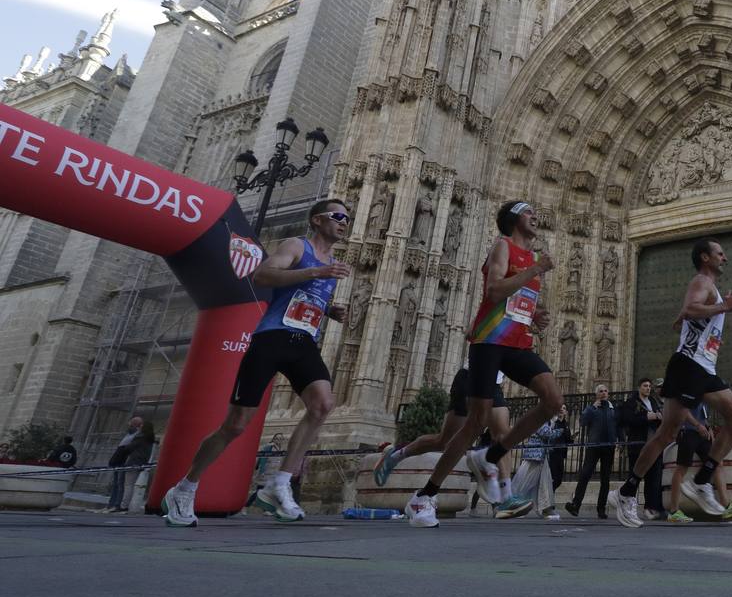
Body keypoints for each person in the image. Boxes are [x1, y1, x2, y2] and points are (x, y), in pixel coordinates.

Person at [161, 198, 352, 527]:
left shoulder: (333, 262)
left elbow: (304, 297)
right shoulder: (297, 246)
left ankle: (279, 483)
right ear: (318, 220)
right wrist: (317, 270)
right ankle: (184, 487)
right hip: (272, 338)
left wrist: (328, 311)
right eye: (338, 216)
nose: (344, 222)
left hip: (303, 341)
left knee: (322, 405)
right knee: (235, 424)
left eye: (347, 218)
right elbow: (262, 275)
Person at [403, 201, 561, 521]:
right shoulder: (502, 247)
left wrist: (535, 316)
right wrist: (535, 270)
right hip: (488, 341)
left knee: (553, 401)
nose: (535, 217)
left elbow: (515, 304)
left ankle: (491, 456)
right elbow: (495, 290)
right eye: (529, 212)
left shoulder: (530, 258)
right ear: (515, 219)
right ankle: (424, 496)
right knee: (476, 422)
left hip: (516, 343)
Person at [609, 238, 732, 528]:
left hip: (701, 367)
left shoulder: (709, 286)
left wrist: (685, 318)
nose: (725, 258)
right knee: (674, 432)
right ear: (705, 258)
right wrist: (724, 307)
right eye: (720, 253)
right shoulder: (702, 281)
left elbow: (689, 313)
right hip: (691, 366)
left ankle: (639, 489)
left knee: (728, 422)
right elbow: (692, 307)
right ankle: (636, 492)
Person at [373, 365, 523, 527]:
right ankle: (397, 454)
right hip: (470, 378)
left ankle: (506, 496)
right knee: (444, 441)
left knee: (503, 435)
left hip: (492, 384)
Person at [666, 401, 732, 522]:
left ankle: (727, 507)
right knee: (682, 468)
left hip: (702, 433)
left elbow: (702, 414)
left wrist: (708, 427)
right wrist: (697, 425)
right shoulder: (688, 387)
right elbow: (683, 410)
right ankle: (674, 511)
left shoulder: (703, 391)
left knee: (717, 463)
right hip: (687, 432)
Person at [566, 385, 619, 518]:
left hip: (609, 447)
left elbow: (617, 426)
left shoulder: (612, 409)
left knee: (605, 479)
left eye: (606, 391)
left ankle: (601, 509)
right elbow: (583, 421)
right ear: (596, 394)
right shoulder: (592, 409)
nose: (603, 393)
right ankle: (576, 505)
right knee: (585, 475)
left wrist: (621, 440)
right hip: (594, 446)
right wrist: (592, 407)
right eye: (600, 391)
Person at [620, 378, 666, 519]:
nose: (648, 388)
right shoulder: (632, 402)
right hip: (638, 444)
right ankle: (628, 505)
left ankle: (650, 508)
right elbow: (627, 419)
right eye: (645, 386)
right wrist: (646, 416)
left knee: (653, 478)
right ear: (639, 387)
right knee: (635, 477)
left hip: (653, 445)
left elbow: (658, 417)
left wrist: (659, 417)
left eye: (649, 386)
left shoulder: (653, 402)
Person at [505, 418, 567, 521]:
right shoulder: (540, 419)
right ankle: (515, 506)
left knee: (544, 483)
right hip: (535, 456)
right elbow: (547, 433)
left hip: (541, 456)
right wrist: (560, 430)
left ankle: (545, 508)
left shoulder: (546, 420)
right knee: (525, 482)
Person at [109, 421, 156, 513]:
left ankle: (124, 505)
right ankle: (126, 505)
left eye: (141, 426)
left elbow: (129, 448)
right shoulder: (150, 439)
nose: (140, 427)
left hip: (133, 462)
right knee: (132, 484)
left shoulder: (140, 437)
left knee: (128, 485)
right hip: (142, 462)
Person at [548, 405, 571, 494]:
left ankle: (550, 493)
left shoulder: (566, 425)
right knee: (552, 478)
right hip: (553, 453)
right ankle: (549, 497)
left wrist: (572, 438)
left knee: (559, 479)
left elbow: (567, 440)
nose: (562, 409)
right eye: (560, 408)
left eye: (564, 408)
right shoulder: (553, 423)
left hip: (561, 454)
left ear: (566, 412)